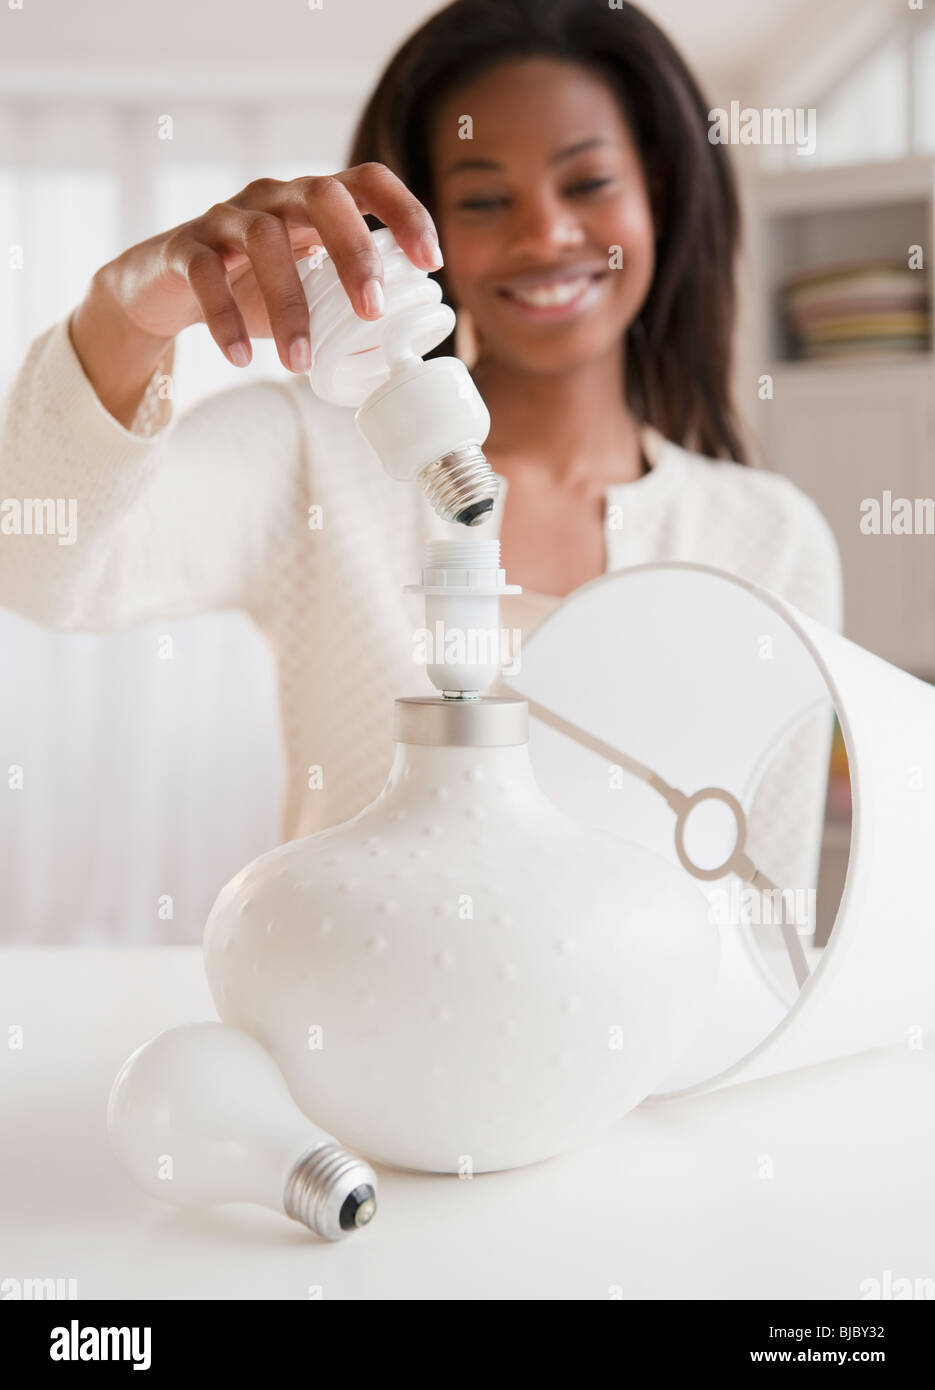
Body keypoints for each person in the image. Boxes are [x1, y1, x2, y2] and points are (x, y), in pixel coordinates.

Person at [0, 0, 840, 895]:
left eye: (586, 183)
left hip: (666, 1038)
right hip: (355, 1023)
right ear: (419, 232)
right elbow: (40, 562)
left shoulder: (769, 540)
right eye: (482, 198)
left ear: (658, 195)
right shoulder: (308, 458)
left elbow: (768, 905)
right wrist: (128, 310)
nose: (544, 234)